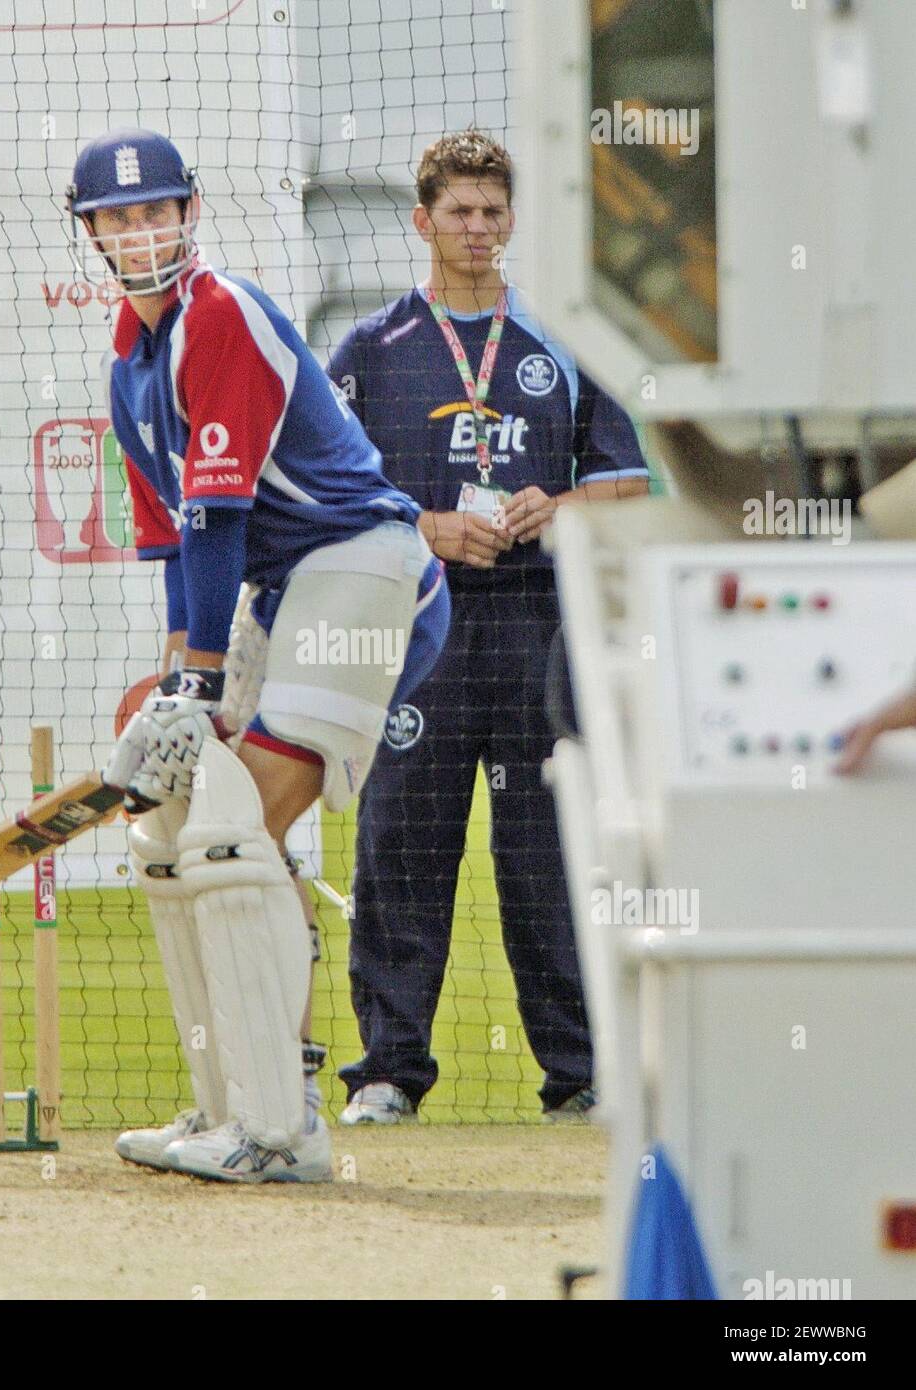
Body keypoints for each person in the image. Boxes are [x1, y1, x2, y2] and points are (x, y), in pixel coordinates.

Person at [65, 128, 450, 1182]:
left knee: (235, 832)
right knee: (169, 830)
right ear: (89, 232)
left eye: (158, 212)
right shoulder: (127, 362)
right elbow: (174, 547)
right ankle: (225, 1108)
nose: (142, 233)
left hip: (362, 568)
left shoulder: (218, 313)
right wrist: (171, 692)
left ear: (189, 214)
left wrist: (193, 680)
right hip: (289, 594)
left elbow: (219, 517)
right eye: (118, 217)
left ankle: (283, 1134)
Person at [326, 130, 651, 1124]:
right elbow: (331, 497)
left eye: (492, 213)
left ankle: (579, 1074)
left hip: (537, 631)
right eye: (458, 212)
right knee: (403, 848)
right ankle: (387, 1073)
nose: (476, 229)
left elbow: (627, 484)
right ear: (421, 222)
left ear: (511, 222)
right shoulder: (369, 351)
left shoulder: (566, 344)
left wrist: (560, 509)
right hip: (418, 632)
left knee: (547, 853)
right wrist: (426, 524)